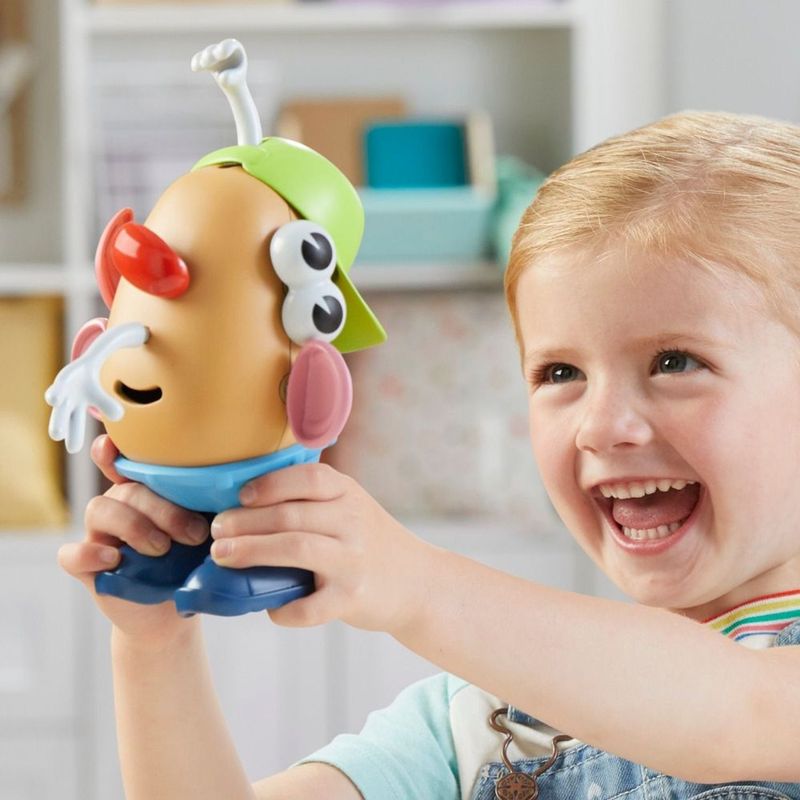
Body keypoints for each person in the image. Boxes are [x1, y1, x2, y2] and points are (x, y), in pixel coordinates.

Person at [59, 110, 800, 799]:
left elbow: (735, 716)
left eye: (675, 362)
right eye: (559, 373)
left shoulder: (762, 698)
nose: (601, 428)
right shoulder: (478, 720)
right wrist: (153, 651)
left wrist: (416, 583)